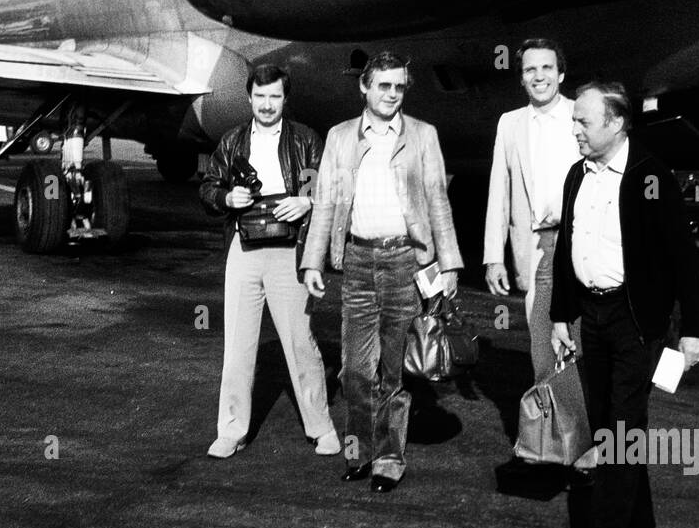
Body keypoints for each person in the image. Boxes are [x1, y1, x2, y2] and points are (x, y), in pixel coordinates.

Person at [550, 80, 699, 528]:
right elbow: (564, 248)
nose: (574, 128)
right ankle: (638, 517)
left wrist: (694, 328)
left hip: (636, 320)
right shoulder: (578, 174)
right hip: (591, 316)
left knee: (619, 429)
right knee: (607, 423)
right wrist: (559, 315)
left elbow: (683, 256)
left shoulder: (650, 176)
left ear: (616, 123)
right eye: (575, 119)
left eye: (583, 120)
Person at [301, 51, 462, 492]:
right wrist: (312, 260)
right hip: (357, 261)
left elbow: (437, 202)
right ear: (364, 87)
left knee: (392, 369)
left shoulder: (423, 136)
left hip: (404, 263)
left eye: (399, 87)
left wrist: (448, 264)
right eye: (383, 86)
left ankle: (389, 458)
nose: (392, 94)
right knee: (355, 369)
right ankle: (359, 451)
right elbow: (327, 203)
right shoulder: (339, 137)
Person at [199, 64, 338, 459]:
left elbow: (324, 187)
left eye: (274, 96)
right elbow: (208, 187)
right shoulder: (232, 141)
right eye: (259, 97)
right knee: (238, 345)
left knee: (300, 341)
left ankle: (321, 427)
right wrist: (227, 199)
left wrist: (305, 201)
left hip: (288, 250)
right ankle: (231, 431)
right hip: (243, 249)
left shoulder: (306, 139)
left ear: (284, 99)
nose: (266, 104)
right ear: (249, 98)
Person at [482, 39, 598, 474]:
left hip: (580, 244)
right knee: (541, 343)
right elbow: (499, 190)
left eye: (547, 68)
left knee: (581, 343)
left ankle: (581, 441)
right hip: (533, 245)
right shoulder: (509, 124)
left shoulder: (580, 114)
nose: (539, 76)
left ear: (561, 73)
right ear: (522, 77)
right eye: (530, 69)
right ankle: (546, 433)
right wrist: (493, 255)